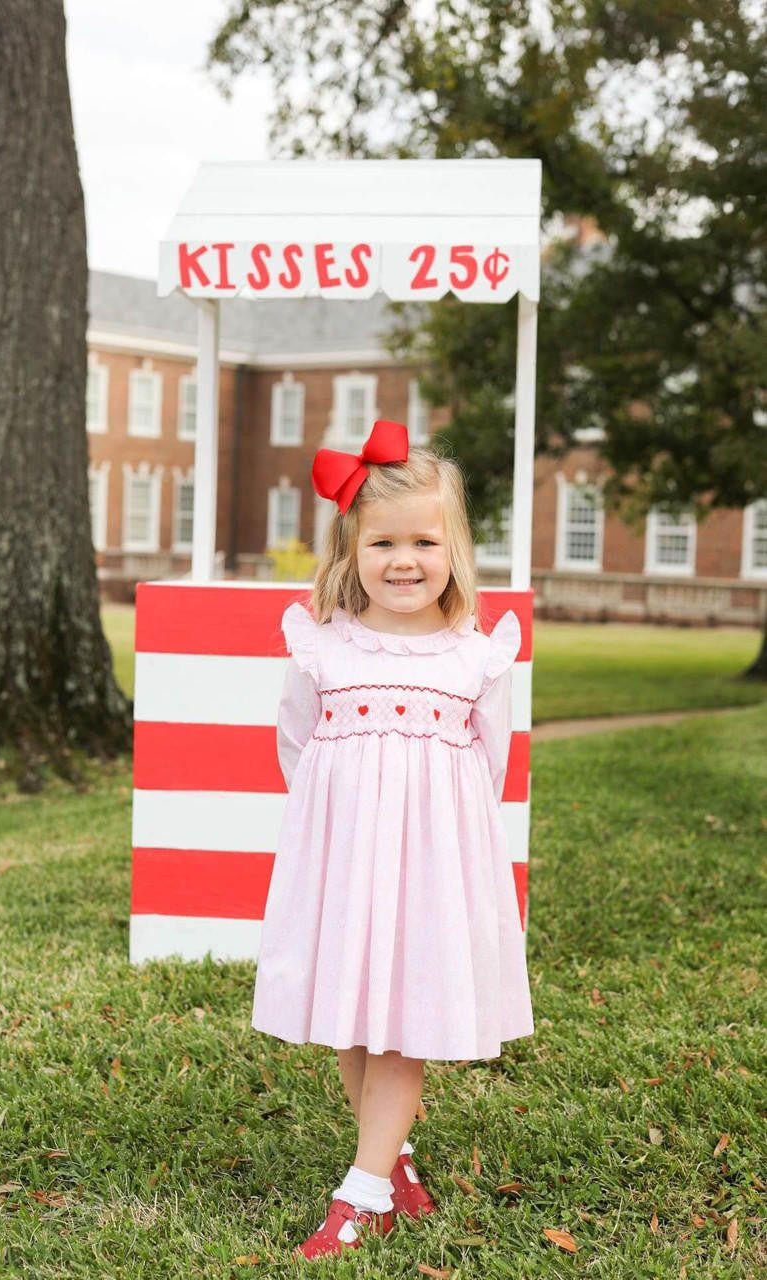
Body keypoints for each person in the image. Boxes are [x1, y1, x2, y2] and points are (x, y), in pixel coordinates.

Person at [250, 419, 535, 1260]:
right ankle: (395, 1162)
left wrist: (427, 835)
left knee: (403, 1017)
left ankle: (362, 1192)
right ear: (350, 550)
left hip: (431, 866)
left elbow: (487, 765)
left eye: (423, 540)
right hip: (344, 858)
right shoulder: (323, 646)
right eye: (382, 542)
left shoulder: (474, 658)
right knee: (353, 1013)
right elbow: (297, 744)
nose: (403, 560)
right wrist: (346, 822)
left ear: (453, 550)